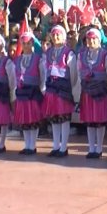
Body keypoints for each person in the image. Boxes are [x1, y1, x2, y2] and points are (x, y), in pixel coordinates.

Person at [42, 26, 78, 158]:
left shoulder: (69, 53)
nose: (56, 37)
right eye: (54, 35)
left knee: (64, 118)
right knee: (54, 118)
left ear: (63, 37)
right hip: (51, 88)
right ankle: (55, 146)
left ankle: (64, 147)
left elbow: (73, 73)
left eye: (58, 35)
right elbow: (45, 70)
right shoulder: (48, 52)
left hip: (63, 88)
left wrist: (69, 86)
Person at [78, 28, 107, 159]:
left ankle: (99, 147)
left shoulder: (105, 56)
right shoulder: (81, 55)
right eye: (89, 39)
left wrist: (101, 85)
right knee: (90, 120)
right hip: (87, 91)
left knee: (99, 120)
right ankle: (91, 147)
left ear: (99, 40)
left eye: (94, 39)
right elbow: (79, 71)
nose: (91, 41)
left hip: (100, 91)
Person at [12, 33, 45, 156]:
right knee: (25, 119)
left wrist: (42, 90)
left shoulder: (38, 59)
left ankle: (33, 145)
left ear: (32, 44)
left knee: (33, 119)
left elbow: (43, 76)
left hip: (33, 92)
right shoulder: (17, 60)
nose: (26, 46)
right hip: (21, 92)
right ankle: (27, 145)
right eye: (24, 43)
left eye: (29, 43)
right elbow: (14, 77)